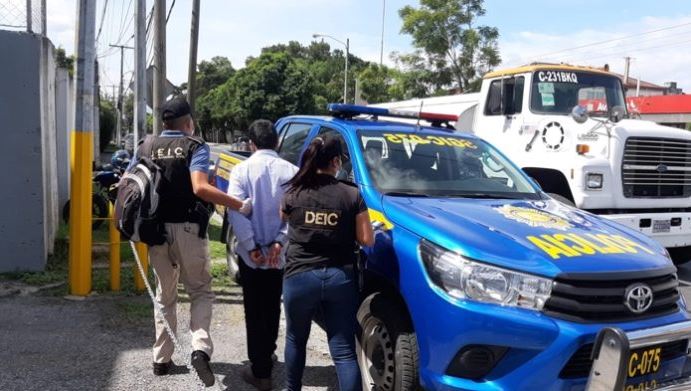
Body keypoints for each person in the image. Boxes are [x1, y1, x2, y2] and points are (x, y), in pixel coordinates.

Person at [134, 98, 252, 387]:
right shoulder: (195, 146)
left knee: (165, 294)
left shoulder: (145, 146)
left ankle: (161, 359)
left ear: (165, 123)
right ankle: (200, 349)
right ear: (188, 122)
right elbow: (200, 187)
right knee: (200, 292)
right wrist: (239, 205)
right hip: (187, 230)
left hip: (155, 232)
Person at [280, 135, 375, 391]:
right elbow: (366, 239)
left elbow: (284, 217)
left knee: (295, 339)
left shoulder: (294, 192)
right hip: (339, 278)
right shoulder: (351, 194)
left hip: (299, 276)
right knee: (344, 351)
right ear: (335, 161)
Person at [227, 119, 297, 391]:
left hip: (250, 256)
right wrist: (279, 243)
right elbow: (294, 213)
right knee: (272, 305)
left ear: (251, 144)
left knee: (254, 309)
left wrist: (252, 246)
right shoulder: (293, 171)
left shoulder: (241, 170)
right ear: (277, 142)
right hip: (279, 256)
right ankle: (267, 355)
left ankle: (260, 371)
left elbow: (237, 210)